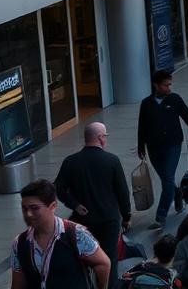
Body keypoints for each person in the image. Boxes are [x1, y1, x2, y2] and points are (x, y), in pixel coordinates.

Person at [53, 122, 130, 287]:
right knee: (109, 259)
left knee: (84, 257)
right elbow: (122, 192)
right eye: (105, 136)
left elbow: (58, 188)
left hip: (83, 221)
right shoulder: (112, 161)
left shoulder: (71, 161)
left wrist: (74, 204)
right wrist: (126, 216)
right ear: (100, 138)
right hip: (109, 220)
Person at [10, 179, 112, 289]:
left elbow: (103, 264)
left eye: (35, 208)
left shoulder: (76, 234)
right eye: (24, 209)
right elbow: (18, 283)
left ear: (53, 206)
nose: (28, 214)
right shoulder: (20, 243)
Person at [137, 69, 188, 230]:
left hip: (173, 145)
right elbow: (142, 126)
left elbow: (186, 115)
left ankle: (161, 216)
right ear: (156, 85)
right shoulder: (146, 103)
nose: (169, 88)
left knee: (167, 179)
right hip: (154, 147)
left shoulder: (175, 99)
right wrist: (140, 146)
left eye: (170, 84)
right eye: (166, 85)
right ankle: (177, 193)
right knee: (167, 179)